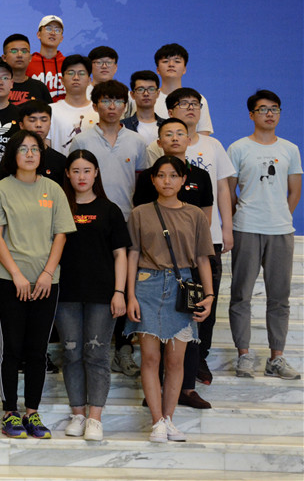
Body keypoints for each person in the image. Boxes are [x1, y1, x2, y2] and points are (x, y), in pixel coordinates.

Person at [0, 129, 75, 439]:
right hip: (9, 279)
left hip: (45, 282)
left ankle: (32, 412)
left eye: (35, 148)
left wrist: (48, 273)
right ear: (13, 154)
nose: (29, 154)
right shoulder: (0, 189)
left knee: (38, 350)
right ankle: (10, 412)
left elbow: (60, 235)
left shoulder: (53, 189)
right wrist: (17, 275)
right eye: (23, 148)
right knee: (11, 348)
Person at [147, 87, 235, 384]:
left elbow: (210, 209)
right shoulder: (154, 171)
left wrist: (222, 231)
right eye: (169, 134)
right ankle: (167, 372)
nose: (175, 139)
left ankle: (198, 362)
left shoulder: (202, 168)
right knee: (169, 310)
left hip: (200, 250)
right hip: (163, 255)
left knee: (202, 306)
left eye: (180, 134)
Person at [125, 155, 214, 443]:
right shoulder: (140, 213)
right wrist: (129, 294)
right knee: (150, 358)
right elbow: (132, 254)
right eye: (161, 175)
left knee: (176, 361)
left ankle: (169, 419)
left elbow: (203, 257)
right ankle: (157, 422)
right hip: (147, 285)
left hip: (182, 287)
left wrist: (209, 295)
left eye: (173, 176)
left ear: (183, 180)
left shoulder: (195, 214)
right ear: (152, 180)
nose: (167, 181)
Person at [227, 90, 302, 380]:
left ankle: (276, 358)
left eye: (275, 109)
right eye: (263, 109)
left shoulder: (290, 149)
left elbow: (294, 191)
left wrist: (280, 215)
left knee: (279, 297)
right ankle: (244, 355)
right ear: (251, 114)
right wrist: (242, 214)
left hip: (280, 230)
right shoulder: (238, 148)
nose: (270, 114)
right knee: (241, 295)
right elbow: (229, 190)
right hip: (246, 227)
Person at [55, 150, 129, 442]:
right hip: (66, 294)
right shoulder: (59, 207)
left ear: (96, 173)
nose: (81, 177)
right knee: (71, 352)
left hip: (102, 294)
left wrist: (119, 292)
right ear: (67, 174)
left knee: (96, 354)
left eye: (87, 170)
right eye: (75, 171)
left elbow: (120, 254)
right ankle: (77, 414)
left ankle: (95, 418)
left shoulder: (110, 210)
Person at [68, 80, 148, 221]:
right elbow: (71, 181)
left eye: (118, 101)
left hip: (127, 216)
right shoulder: (81, 141)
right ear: (95, 106)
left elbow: (141, 184)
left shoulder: (138, 141)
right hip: (89, 216)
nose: (112, 107)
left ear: (125, 107)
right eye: (105, 101)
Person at [154, 43, 212, 135]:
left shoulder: (198, 100)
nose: (171, 65)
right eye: (165, 61)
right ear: (157, 69)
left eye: (177, 61)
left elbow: (203, 137)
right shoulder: (144, 99)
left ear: (184, 69)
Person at [49, 55, 96, 155]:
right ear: (62, 80)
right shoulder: (50, 111)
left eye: (81, 73)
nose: (76, 78)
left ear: (89, 80)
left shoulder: (99, 111)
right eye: (71, 73)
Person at [17, 100, 66, 185]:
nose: (38, 125)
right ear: (21, 125)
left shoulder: (60, 160)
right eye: (32, 120)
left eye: (44, 120)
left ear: (50, 123)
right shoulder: (12, 156)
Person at [3, 34, 52, 106]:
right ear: (4, 58)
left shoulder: (40, 88)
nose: (19, 55)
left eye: (24, 51)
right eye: (14, 51)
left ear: (30, 58)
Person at [25, 15, 66, 102]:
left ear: (61, 38)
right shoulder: (27, 62)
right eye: (48, 28)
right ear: (38, 34)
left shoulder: (68, 64)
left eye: (58, 30)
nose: (53, 33)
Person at [122, 70, 165, 144]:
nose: (146, 94)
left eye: (151, 89)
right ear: (132, 95)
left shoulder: (168, 126)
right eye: (140, 89)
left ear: (158, 93)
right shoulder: (122, 126)